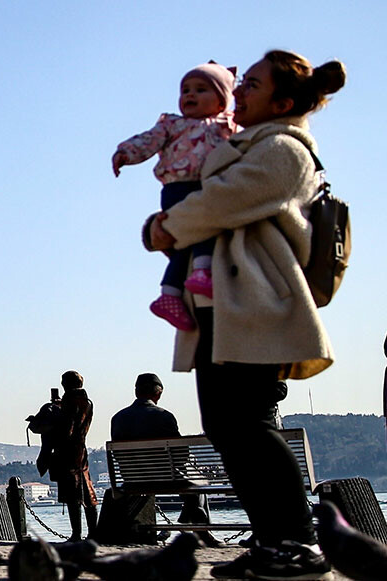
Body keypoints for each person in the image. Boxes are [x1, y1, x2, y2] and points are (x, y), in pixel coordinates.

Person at [144, 50, 345, 580]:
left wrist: (165, 226)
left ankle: (297, 542)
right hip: (226, 306)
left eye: (252, 85)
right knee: (228, 424)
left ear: (281, 101)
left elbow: (222, 203)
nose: (242, 92)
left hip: (255, 308)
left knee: (247, 422)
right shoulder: (248, 144)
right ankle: (274, 539)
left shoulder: (282, 148)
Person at [115, 62, 238, 331]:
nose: (190, 95)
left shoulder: (227, 125)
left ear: (221, 101)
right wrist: (126, 152)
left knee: (185, 244)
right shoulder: (172, 125)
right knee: (203, 227)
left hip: (208, 185)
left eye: (201, 90)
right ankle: (202, 274)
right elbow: (147, 140)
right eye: (186, 90)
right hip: (178, 187)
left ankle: (169, 293)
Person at [109, 372, 217, 546]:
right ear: (158, 393)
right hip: (167, 479)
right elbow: (182, 454)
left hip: (132, 480)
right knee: (199, 482)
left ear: (136, 392)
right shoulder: (164, 416)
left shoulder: (118, 418)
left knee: (192, 480)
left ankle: (187, 521)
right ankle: (201, 532)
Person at [53, 371, 97, 542]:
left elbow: (67, 428)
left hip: (68, 452)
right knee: (87, 489)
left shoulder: (69, 402)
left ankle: (76, 533)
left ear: (65, 385)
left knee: (72, 493)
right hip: (81, 450)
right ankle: (93, 532)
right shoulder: (88, 402)